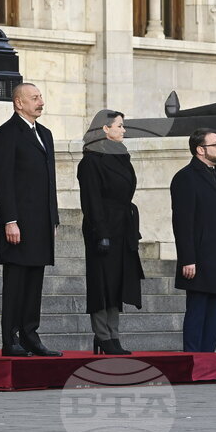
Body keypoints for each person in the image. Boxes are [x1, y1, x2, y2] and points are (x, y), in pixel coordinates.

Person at [0, 83, 62, 357]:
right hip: (18, 223)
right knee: (16, 283)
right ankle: (10, 339)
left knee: (34, 282)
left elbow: (50, 180)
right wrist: (10, 219)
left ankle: (31, 335)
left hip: (40, 223)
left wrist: (53, 218)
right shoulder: (6, 134)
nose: (40, 101)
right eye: (34, 98)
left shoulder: (45, 134)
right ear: (18, 103)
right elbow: (2, 180)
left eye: (41, 97)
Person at [77, 110, 144, 356]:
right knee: (102, 282)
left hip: (123, 226)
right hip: (102, 227)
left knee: (117, 282)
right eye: (119, 126)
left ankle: (113, 334)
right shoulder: (91, 160)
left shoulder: (121, 156)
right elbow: (91, 200)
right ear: (105, 129)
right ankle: (102, 335)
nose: (123, 130)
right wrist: (101, 232)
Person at [171, 128, 216, 353]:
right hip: (198, 258)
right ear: (200, 149)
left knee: (215, 313)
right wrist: (188, 258)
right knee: (198, 311)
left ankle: (209, 363)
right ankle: (193, 360)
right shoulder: (185, 177)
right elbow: (182, 222)